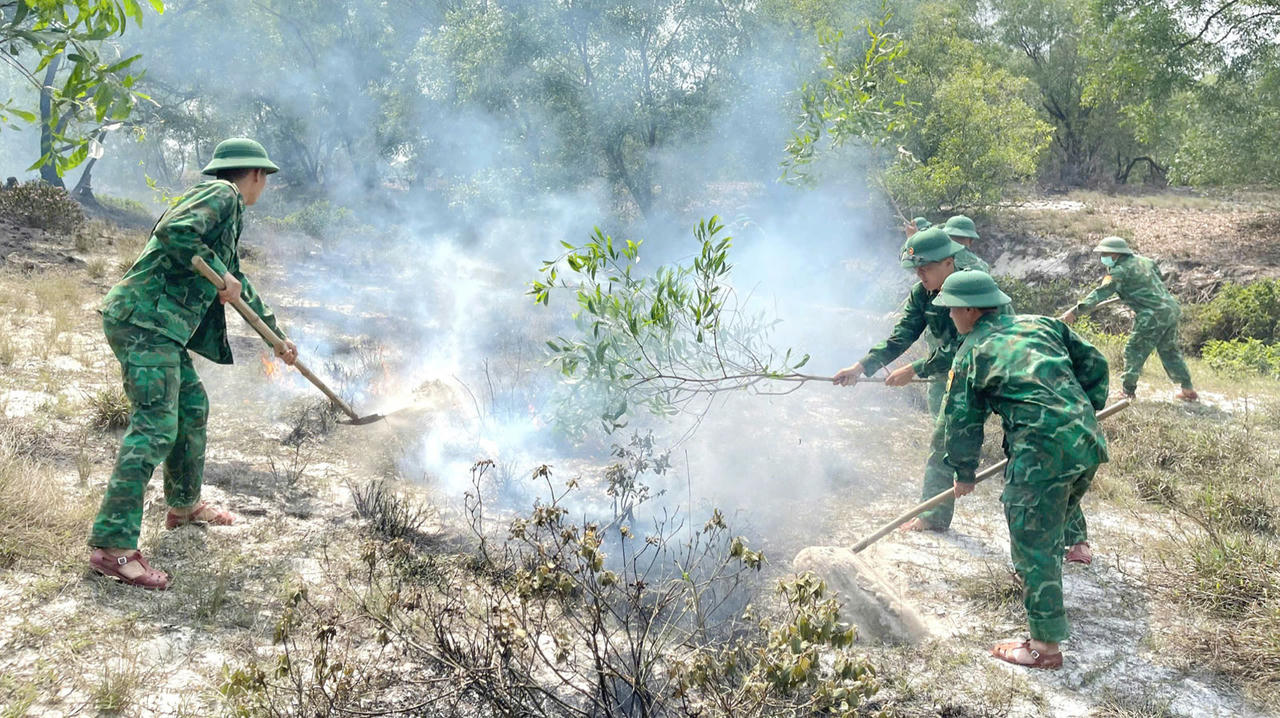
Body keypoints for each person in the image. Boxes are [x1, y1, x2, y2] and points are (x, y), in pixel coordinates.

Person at [88, 138, 298, 590]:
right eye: (265, 178)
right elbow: (175, 230)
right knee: (155, 427)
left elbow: (236, 282)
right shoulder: (222, 194)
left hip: (157, 327)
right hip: (144, 322)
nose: (264, 185)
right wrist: (221, 275)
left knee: (191, 407)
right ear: (256, 174)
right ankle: (112, 549)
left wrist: (277, 338)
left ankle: (183, 507)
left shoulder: (227, 211)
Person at [935, 270, 1109, 669]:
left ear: (970, 310)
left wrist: (963, 472)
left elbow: (961, 421)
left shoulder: (972, 351)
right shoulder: (1043, 324)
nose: (949, 316)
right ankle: (1036, 581)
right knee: (1048, 529)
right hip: (1086, 444)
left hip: (1040, 456)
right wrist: (1082, 410)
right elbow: (1094, 364)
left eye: (952, 309)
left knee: (1033, 538)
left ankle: (1043, 647)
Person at [835, 228, 1004, 532]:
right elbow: (902, 336)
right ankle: (934, 515)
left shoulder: (972, 288)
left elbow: (966, 347)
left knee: (1034, 443)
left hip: (993, 370)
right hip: (953, 371)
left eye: (926, 268)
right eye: (916, 269)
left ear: (949, 262)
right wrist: (861, 367)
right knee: (943, 436)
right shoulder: (922, 293)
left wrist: (914, 369)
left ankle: (1075, 535)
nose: (920, 275)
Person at [1064, 236, 1196, 401]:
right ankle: (1187, 388)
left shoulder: (1119, 271)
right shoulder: (1146, 261)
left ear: (1115, 254)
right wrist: (1133, 293)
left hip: (1153, 314)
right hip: (1170, 309)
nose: (1102, 257)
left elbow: (1100, 293)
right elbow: (1156, 279)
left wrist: (1075, 312)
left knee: (1134, 350)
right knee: (1169, 350)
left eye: (1104, 253)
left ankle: (1127, 392)